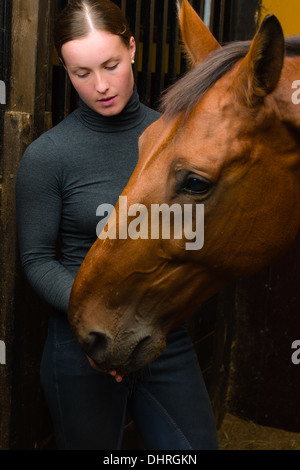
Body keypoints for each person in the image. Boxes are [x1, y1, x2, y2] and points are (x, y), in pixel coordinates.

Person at [16, 0, 218, 450]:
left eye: (110, 64)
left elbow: (196, 236)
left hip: (164, 336)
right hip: (81, 340)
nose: (101, 86)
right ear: (65, 70)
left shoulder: (181, 143)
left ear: (132, 49)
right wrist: (98, 320)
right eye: (81, 73)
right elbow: (36, 259)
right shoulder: (49, 157)